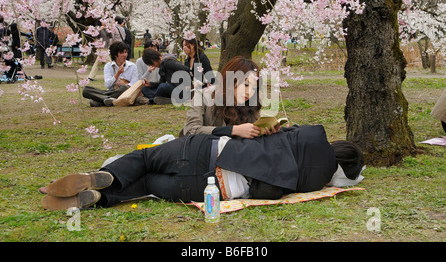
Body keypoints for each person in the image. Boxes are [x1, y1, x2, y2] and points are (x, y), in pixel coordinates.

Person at [40, 124, 365, 210]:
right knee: (151, 187)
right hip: (210, 187)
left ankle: (107, 177)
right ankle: (103, 199)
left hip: (206, 149)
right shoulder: (313, 182)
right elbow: (268, 191)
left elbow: (277, 131)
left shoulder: (310, 134)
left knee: (145, 158)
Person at [180, 56, 274, 139]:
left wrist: (264, 132)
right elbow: (190, 130)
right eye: (245, 84)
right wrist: (233, 130)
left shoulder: (251, 105)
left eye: (254, 88)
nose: (249, 92)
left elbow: (252, 133)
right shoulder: (204, 96)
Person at [82, 41, 147, 106]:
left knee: (123, 88)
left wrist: (125, 84)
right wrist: (117, 74)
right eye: (122, 53)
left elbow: (134, 83)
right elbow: (107, 85)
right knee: (86, 90)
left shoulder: (132, 66)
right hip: (112, 91)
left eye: (126, 52)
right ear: (115, 55)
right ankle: (109, 99)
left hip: (127, 92)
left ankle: (102, 99)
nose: (125, 55)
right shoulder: (108, 66)